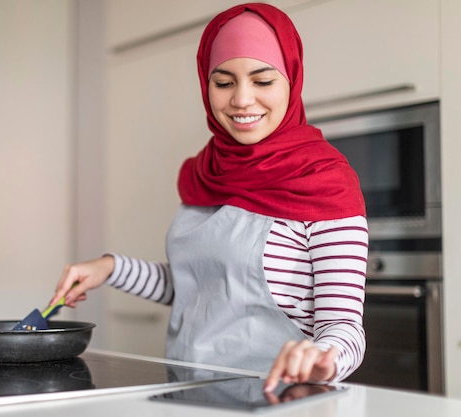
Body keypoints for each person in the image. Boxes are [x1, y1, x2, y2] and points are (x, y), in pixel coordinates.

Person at [50, 2, 368, 393]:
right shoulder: (207, 172)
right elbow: (197, 287)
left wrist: (323, 358)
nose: (241, 100)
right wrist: (110, 267)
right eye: (224, 82)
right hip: (190, 393)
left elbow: (345, 327)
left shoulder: (324, 180)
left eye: (263, 81)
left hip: (283, 398)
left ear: (292, 80)